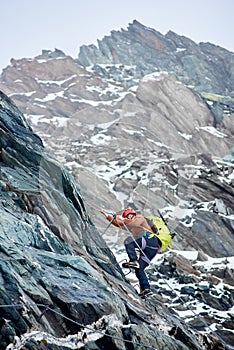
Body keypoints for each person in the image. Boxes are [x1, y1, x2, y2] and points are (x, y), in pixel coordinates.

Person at [100, 207, 160, 298]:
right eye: (128, 216)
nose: (130, 217)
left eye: (131, 215)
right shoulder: (129, 225)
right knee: (139, 268)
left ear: (134, 215)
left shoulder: (140, 218)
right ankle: (146, 289)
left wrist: (123, 219)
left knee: (128, 242)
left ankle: (133, 260)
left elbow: (135, 223)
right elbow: (118, 224)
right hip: (151, 249)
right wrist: (107, 215)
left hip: (149, 240)